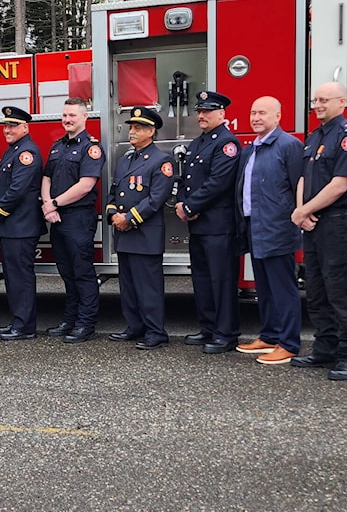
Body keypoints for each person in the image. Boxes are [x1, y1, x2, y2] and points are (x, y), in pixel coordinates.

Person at [290, 82, 347, 380]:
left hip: (335, 222)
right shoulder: (315, 136)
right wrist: (301, 213)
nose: (318, 104)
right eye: (315, 100)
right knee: (317, 290)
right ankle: (325, 348)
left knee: (340, 291)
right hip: (311, 223)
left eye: (324, 100)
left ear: (342, 102)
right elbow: (301, 178)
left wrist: (304, 211)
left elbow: (339, 185)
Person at [235, 96, 304, 366]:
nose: (255, 118)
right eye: (253, 112)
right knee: (263, 286)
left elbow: (299, 184)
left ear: (278, 116)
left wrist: (297, 217)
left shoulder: (289, 146)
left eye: (262, 113)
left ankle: (288, 343)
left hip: (278, 227)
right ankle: (269, 334)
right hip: (255, 225)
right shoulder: (251, 149)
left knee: (283, 287)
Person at [174, 91, 242, 354]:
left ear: (222, 114)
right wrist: (181, 202)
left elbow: (218, 182)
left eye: (208, 111)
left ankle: (226, 334)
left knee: (221, 281)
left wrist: (190, 206)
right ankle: (209, 328)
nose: (201, 115)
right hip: (199, 225)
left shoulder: (227, 143)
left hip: (218, 226)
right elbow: (185, 179)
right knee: (202, 279)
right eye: (200, 111)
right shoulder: (198, 142)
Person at [105, 107, 174, 350]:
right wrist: (113, 213)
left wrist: (129, 218)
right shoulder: (125, 159)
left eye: (137, 128)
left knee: (148, 287)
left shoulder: (162, 160)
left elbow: (156, 199)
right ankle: (134, 326)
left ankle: (156, 332)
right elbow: (114, 191)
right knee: (129, 285)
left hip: (144, 234)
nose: (131, 132)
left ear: (151, 131)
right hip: (124, 234)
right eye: (130, 127)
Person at [40, 97, 106, 343]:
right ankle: (70, 319)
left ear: (84, 117)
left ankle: (85, 324)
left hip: (79, 218)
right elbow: (46, 178)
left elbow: (85, 185)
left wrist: (54, 203)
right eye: (65, 115)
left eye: (72, 116)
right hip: (56, 217)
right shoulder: (57, 146)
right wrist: (48, 206)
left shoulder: (91, 147)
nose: (67, 119)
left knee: (82, 272)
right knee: (66, 272)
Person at [0, 106, 46, 341]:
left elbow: (17, 190)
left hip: (20, 226)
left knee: (20, 277)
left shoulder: (26, 152)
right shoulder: (15, 150)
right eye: (6, 126)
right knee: (13, 276)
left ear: (25, 127)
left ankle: (24, 327)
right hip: (14, 227)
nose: (8, 130)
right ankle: (18, 322)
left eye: (13, 126)